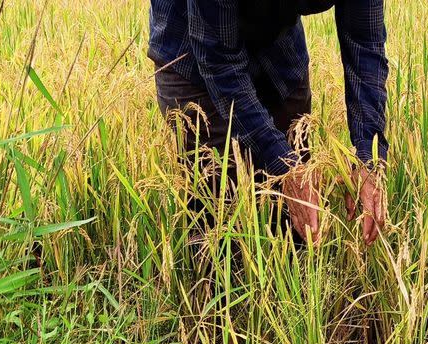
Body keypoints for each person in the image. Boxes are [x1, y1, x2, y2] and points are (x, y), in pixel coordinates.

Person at [148, 0, 389, 245]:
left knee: (295, 223)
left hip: (278, 49)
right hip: (192, 50)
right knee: (219, 222)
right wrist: (284, 165)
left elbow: (365, 43)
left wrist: (369, 156)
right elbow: (219, 64)